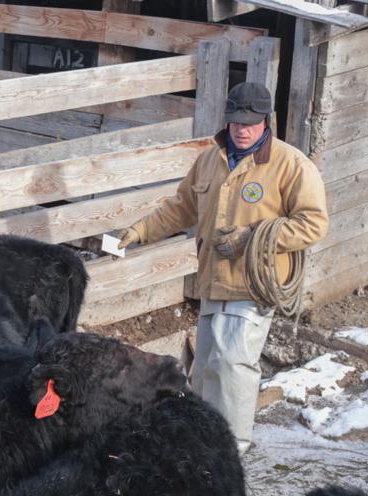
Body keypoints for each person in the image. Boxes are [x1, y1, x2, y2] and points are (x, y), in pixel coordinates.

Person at [118, 82, 328, 454]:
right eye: (235, 121)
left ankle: (231, 449)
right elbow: (182, 207)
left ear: (266, 122)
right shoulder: (209, 160)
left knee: (233, 365)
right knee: (209, 363)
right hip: (212, 280)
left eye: (250, 122)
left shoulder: (290, 165)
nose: (241, 129)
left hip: (253, 283)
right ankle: (205, 439)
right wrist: (141, 230)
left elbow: (313, 223)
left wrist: (253, 238)